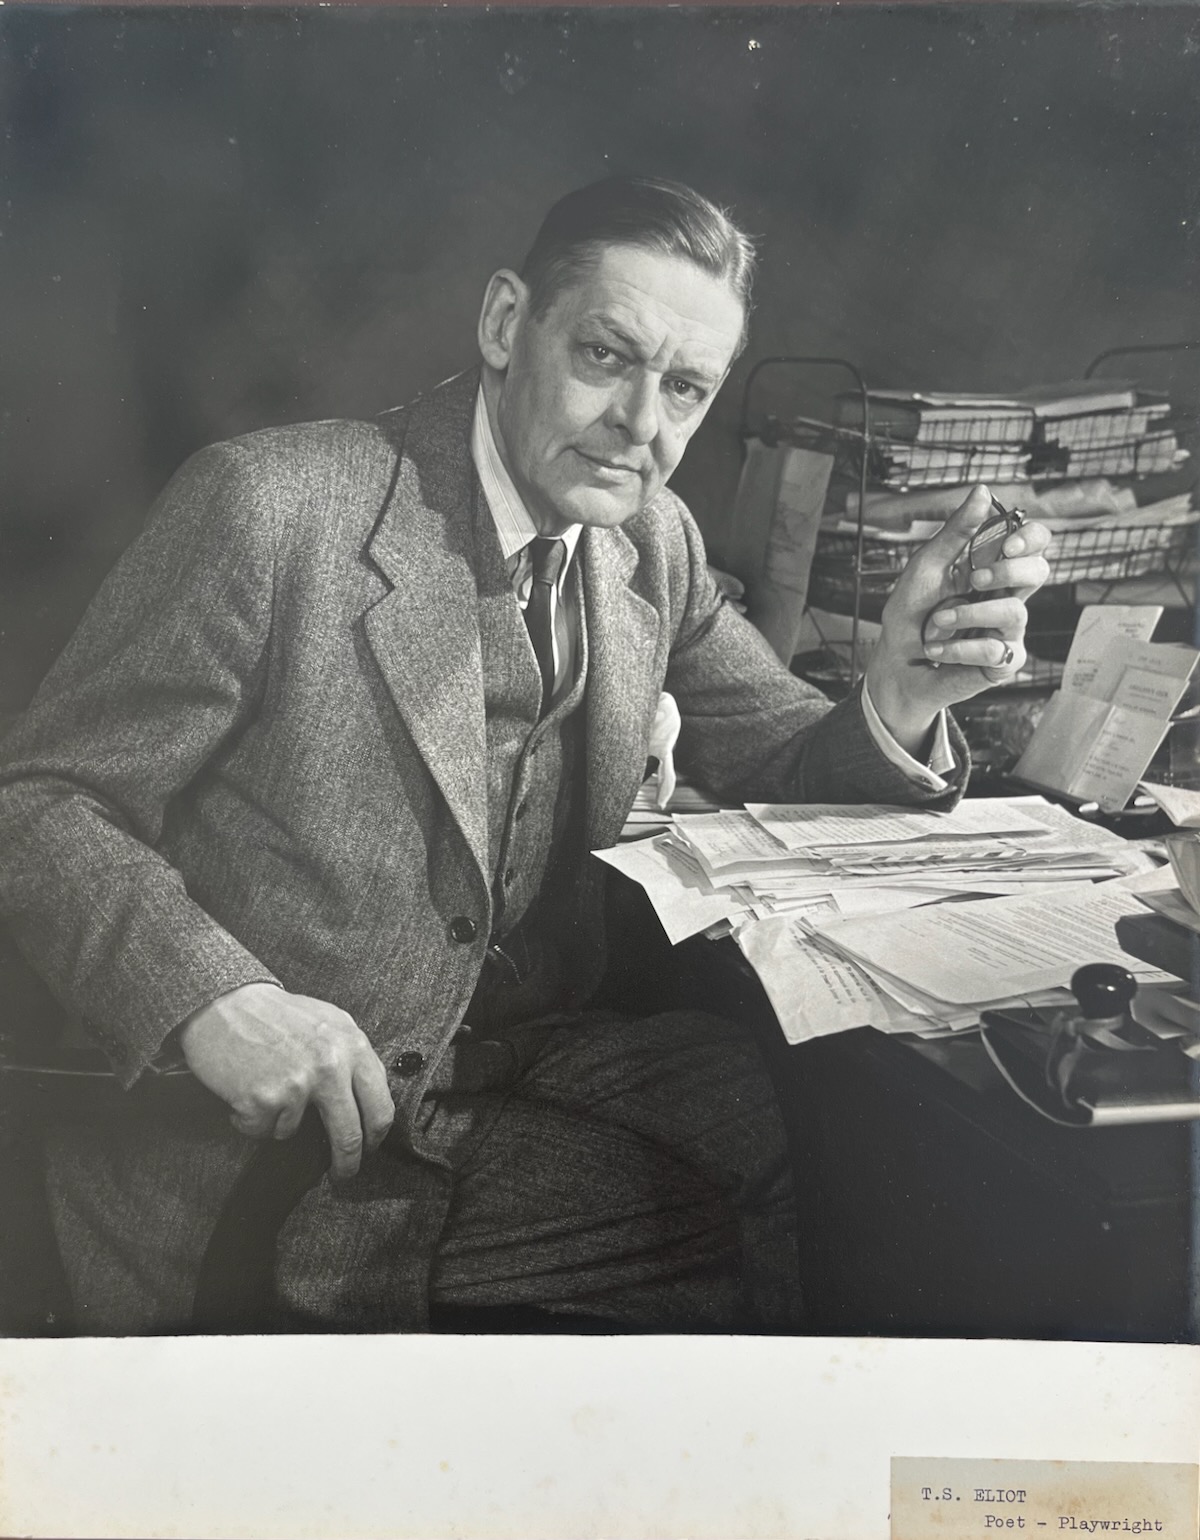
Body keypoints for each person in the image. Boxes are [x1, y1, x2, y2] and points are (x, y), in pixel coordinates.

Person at [0, 177, 1050, 1334]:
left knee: (810, 1118)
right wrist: (219, 996)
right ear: (507, 323)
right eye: (606, 355)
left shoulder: (650, 539)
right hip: (294, 1138)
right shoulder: (275, 506)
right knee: (709, 1243)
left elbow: (788, 758)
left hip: (512, 1061)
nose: (641, 423)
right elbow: (41, 801)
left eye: (686, 388)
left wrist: (902, 689)